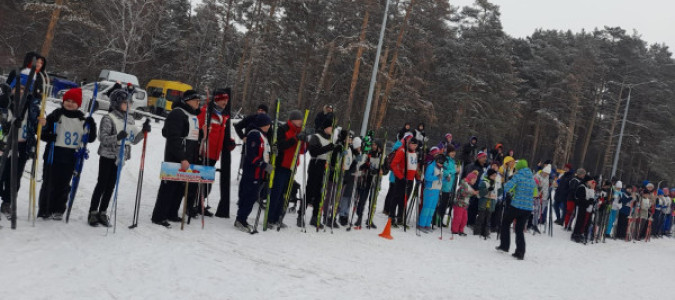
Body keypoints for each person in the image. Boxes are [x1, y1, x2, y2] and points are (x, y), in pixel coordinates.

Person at [89, 89, 147, 226]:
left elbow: (133, 140)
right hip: (107, 156)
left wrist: (144, 132)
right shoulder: (109, 118)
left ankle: (103, 211)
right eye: (125, 103)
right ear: (116, 103)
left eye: (130, 103)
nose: (128, 105)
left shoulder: (130, 119)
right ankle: (93, 212)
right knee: (102, 184)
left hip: (120, 157)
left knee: (111, 185)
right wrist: (117, 137)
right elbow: (103, 138)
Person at [36, 88, 97, 219]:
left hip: (71, 156)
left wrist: (92, 126)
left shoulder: (82, 119)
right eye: (67, 101)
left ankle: (58, 209)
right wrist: (48, 135)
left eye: (73, 101)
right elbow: (44, 132)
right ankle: (45, 208)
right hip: (54, 152)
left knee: (64, 184)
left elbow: (90, 139)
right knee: (49, 182)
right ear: (63, 101)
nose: (70, 103)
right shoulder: (57, 114)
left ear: (79, 104)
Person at [0, 52, 47, 217]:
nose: (20, 91)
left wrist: (41, 123)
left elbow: (35, 123)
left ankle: (8, 201)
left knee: (15, 176)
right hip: (4, 143)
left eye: (41, 63)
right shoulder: (5, 103)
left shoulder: (32, 104)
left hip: (22, 142)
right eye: (18, 88)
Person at [150, 90, 202, 228]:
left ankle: (172, 212)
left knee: (180, 187)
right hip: (176, 158)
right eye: (196, 100)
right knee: (169, 187)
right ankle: (159, 216)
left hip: (188, 158)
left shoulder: (193, 115)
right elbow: (173, 137)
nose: (198, 102)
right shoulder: (178, 113)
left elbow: (193, 136)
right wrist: (182, 157)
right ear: (188, 100)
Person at [197, 89, 236, 217]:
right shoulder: (206, 112)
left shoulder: (223, 116)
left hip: (214, 154)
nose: (226, 102)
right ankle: (194, 205)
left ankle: (200, 205)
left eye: (227, 100)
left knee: (207, 182)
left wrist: (228, 142)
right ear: (217, 99)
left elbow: (221, 134)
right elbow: (198, 129)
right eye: (223, 99)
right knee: (199, 182)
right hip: (204, 151)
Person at [267, 110, 307, 229]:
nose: (300, 122)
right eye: (299, 120)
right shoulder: (283, 129)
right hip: (281, 165)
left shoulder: (300, 131)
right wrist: (295, 139)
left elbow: (302, 151)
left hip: (292, 167)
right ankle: (270, 218)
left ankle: (278, 217)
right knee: (277, 193)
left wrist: (305, 141)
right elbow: (281, 146)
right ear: (293, 120)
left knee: (285, 194)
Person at [234, 114, 273, 232]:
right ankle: (240, 219)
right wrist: (262, 164)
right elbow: (251, 154)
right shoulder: (254, 134)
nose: (269, 126)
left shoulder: (263, 135)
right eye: (267, 124)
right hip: (252, 171)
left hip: (260, 172)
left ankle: (242, 218)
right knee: (248, 195)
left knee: (252, 196)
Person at [497, 159, 536, 260]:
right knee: (519, 229)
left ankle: (504, 246)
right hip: (527, 208)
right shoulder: (532, 178)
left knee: (505, 223)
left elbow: (507, 187)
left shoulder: (517, 176)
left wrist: (508, 186)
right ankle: (520, 252)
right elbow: (536, 193)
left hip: (516, 205)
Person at [306, 118, 335, 228]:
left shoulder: (330, 139)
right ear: (326, 128)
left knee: (320, 193)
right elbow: (313, 152)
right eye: (330, 127)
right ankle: (301, 214)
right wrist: (327, 148)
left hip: (324, 166)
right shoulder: (316, 137)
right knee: (310, 191)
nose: (332, 129)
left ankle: (315, 217)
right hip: (315, 165)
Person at [389, 135, 419, 227]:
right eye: (412, 145)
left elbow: (415, 167)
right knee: (396, 198)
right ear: (408, 144)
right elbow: (393, 165)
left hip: (410, 180)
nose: (414, 147)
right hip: (401, 179)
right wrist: (401, 177)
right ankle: (392, 217)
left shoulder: (414, 153)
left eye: (415, 145)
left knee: (404, 199)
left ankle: (400, 217)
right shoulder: (402, 151)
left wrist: (417, 178)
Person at [354, 139, 382, 228]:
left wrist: (380, 170)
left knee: (372, 201)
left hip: (376, 181)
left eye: (375, 145)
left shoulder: (382, 156)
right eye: (373, 145)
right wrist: (366, 166)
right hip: (366, 180)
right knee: (362, 199)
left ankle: (370, 219)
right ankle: (359, 217)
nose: (373, 146)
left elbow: (385, 168)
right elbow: (361, 166)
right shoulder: (368, 155)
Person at [418, 149, 445, 232]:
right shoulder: (431, 166)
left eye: (442, 163)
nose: (441, 165)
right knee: (427, 208)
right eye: (440, 163)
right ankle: (421, 224)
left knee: (432, 209)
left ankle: (427, 224)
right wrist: (437, 177)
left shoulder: (441, 168)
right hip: (430, 189)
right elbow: (427, 177)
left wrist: (445, 179)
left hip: (437, 190)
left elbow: (441, 179)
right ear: (436, 161)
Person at [338, 135, 362, 226]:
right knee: (345, 196)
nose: (360, 148)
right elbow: (348, 165)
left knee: (350, 197)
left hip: (352, 179)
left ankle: (346, 213)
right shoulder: (350, 151)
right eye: (359, 146)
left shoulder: (357, 153)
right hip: (347, 178)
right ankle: (342, 214)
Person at [435, 145, 458, 227]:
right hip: (444, 185)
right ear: (448, 152)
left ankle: (440, 219)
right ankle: (436, 219)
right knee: (441, 203)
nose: (453, 153)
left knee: (445, 204)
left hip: (450, 186)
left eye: (454, 152)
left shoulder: (453, 161)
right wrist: (454, 171)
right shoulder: (445, 160)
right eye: (451, 152)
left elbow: (452, 173)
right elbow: (444, 171)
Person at [474, 168, 499, 238]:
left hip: (491, 203)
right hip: (483, 203)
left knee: (488, 219)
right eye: (493, 176)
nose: (494, 177)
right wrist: (487, 190)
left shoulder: (496, 183)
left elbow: (498, 192)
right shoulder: (484, 182)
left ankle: (485, 232)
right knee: (481, 218)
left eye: (495, 176)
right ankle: (477, 232)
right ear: (489, 175)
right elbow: (480, 192)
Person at [464, 152, 487, 226]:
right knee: (470, 205)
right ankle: (467, 221)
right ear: (479, 158)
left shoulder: (484, 167)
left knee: (475, 207)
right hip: (472, 188)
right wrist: (471, 188)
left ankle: (472, 221)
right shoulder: (472, 166)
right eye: (483, 157)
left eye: (485, 157)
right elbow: (468, 177)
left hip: (479, 189)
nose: (485, 159)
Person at [571, 176, 596, 243]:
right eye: (591, 181)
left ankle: (580, 233)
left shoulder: (588, 188)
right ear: (587, 181)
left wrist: (591, 201)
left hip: (585, 207)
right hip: (580, 206)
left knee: (583, 221)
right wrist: (588, 202)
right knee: (579, 221)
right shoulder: (582, 187)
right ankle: (575, 234)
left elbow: (591, 197)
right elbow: (580, 199)